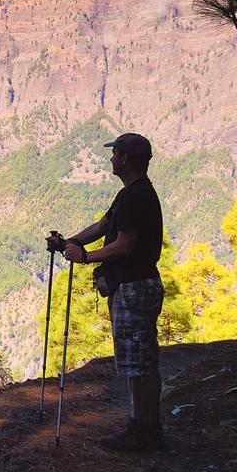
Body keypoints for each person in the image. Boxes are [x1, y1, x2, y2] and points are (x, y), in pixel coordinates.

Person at [45, 132, 165, 452]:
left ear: (125, 158)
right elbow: (102, 227)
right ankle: (141, 424)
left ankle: (146, 429)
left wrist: (84, 257)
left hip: (134, 286)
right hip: (135, 285)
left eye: (115, 154)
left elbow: (124, 246)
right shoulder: (129, 195)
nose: (110, 159)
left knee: (139, 362)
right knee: (137, 360)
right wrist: (68, 243)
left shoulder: (136, 197)